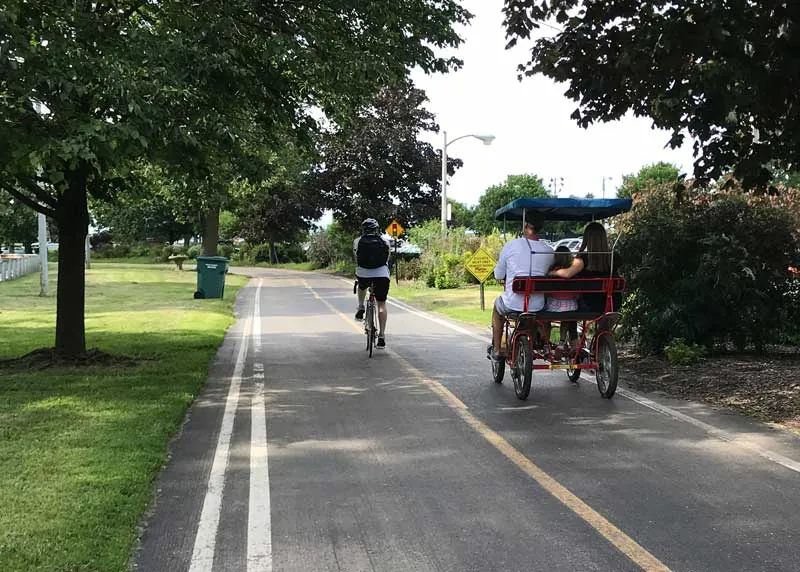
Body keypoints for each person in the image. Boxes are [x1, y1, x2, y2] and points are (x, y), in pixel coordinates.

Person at [488, 212, 554, 361]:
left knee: (497, 309)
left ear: (525, 226)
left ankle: (497, 350)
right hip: (538, 304)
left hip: (513, 303)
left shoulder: (511, 246)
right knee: (533, 311)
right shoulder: (549, 251)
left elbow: (498, 275)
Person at [549, 222, 621, 338]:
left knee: (573, 309)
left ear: (587, 238)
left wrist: (552, 272)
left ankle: (573, 342)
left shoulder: (583, 259)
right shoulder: (614, 256)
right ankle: (600, 342)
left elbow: (567, 274)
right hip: (613, 303)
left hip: (590, 305)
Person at [353, 218, 391, 348]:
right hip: (381, 275)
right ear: (377, 229)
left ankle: (360, 306)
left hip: (363, 273)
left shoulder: (357, 241)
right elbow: (387, 260)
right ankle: (381, 336)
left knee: (361, 286)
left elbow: (356, 260)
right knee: (381, 304)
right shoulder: (385, 241)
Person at [545, 246, 580, 359]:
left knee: (544, 318)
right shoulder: (573, 270)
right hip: (571, 305)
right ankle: (561, 342)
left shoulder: (552, 269)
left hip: (554, 305)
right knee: (566, 319)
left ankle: (546, 343)